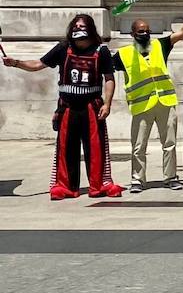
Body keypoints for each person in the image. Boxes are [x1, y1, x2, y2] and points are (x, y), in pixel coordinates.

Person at [5, 14, 123, 200]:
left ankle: (98, 185)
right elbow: (38, 64)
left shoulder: (102, 51)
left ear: (90, 29)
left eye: (82, 26)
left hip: (92, 106)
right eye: (75, 26)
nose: (78, 29)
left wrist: (107, 104)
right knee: (66, 148)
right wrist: (16, 63)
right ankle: (65, 186)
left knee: (95, 148)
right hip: (67, 108)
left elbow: (109, 79)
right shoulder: (63, 48)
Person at [112, 5, 183, 192]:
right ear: (132, 34)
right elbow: (105, 72)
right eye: (141, 32)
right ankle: (138, 180)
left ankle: (170, 177)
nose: (145, 34)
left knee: (169, 143)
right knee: (139, 146)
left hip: (165, 102)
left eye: (147, 31)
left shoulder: (159, 45)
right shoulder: (123, 55)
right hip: (142, 106)